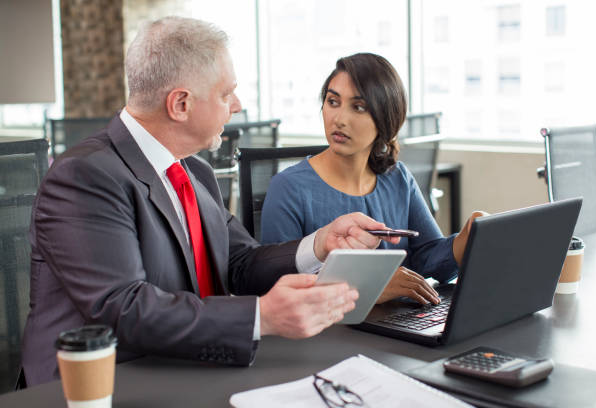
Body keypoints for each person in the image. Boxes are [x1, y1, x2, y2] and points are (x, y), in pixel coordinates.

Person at [21, 18, 400, 386]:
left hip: (189, 364)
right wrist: (262, 317)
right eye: (225, 93)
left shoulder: (194, 172)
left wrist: (320, 244)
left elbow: (239, 262)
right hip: (103, 384)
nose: (236, 105)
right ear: (181, 104)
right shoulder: (85, 176)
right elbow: (125, 309)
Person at [261, 53, 482, 305]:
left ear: (385, 119)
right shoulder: (289, 188)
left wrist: (466, 240)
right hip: (332, 335)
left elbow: (429, 258)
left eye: (358, 107)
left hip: (399, 327)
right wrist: (369, 286)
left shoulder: (397, 178)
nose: (339, 119)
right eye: (333, 102)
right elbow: (279, 290)